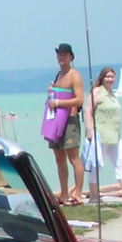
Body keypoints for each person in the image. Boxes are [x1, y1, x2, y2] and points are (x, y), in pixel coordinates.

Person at [84, 67, 122, 200]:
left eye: (112, 77)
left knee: (121, 162)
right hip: (100, 135)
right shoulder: (97, 92)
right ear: (102, 78)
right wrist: (89, 131)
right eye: (107, 77)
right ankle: (93, 196)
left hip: (115, 135)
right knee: (96, 165)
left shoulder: (112, 94)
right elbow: (88, 111)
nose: (110, 79)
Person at [46, 43, 85, 206]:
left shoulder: (74, 75)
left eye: (65, 55)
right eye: (59, 55)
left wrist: (59, 101)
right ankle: (63, 193)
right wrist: (52, 91)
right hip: (56, 121)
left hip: (70, 121)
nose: (61, 58)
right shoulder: (59, 75)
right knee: (59, 158)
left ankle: (79, 192)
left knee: (73, 157)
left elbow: (79, 99)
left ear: (71, 57)